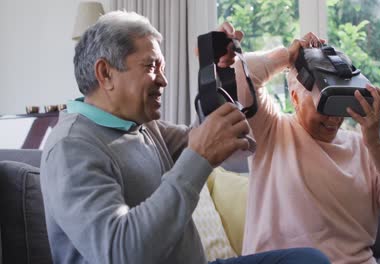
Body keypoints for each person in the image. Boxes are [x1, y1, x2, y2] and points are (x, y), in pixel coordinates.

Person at [39, 11, 330, 264]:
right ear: (105, 73)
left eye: (162, 68)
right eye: (151, 67)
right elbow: (120, 253)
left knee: (309, 260)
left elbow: (229, 144)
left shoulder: (141, 126)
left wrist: (216, 73)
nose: (164, 80)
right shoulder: (71, 148)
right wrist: (198, 158)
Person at [234, 32, 380, 264]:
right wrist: (288, 56)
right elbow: (238, 74)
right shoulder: (270, 129)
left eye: (341, 103)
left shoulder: (362, 147)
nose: (333, 118)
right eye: (325, 104)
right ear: (295, 98)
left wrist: (374, 143)